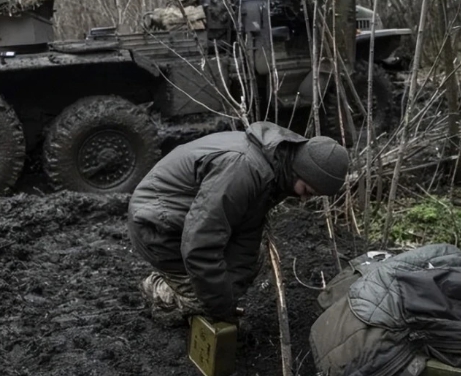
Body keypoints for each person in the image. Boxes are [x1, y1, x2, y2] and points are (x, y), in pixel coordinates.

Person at [127, 121, 349, 326]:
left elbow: (247, 236)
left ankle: (187, 286)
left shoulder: (277, 170)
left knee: (250, 261)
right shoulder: (244, 169)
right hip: (157, 225)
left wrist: (229, 298)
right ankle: (159, 289)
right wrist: (218, 308)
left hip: (185, 220)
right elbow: (201, 244)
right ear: (300, 171)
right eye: (307, 191)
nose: (303, 199)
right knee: (200, 304)